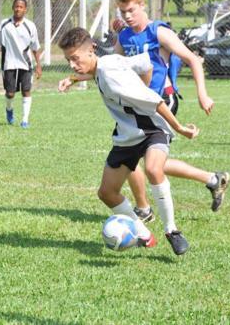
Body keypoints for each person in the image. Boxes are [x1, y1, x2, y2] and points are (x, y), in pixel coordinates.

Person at [60, 0, 230, 222]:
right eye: (122, 12)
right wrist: (75, 78)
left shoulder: (158, 32)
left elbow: (192, 59)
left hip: (161, 101)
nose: (127, 16)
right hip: (136, 106)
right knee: (139, 158)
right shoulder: (125, 37)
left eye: (132, 10)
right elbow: (109, 68)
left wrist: (203, 94)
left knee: (145, 160)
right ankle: (210, 181)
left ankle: (146, 209)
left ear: (142, 6)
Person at [58, 27, 200, 255]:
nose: (73, 64)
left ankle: (172, 230)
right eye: (69, 60)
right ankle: (143, 233)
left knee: (154, 169)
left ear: (91, 50)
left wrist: (180, 128)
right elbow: (145, 64)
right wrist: (73, 78)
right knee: (107, 192)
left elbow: (154, 101)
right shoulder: (109, 60)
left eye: (75, 59)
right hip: (126, 135)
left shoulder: (112, 76)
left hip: (151, 129)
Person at [0, 0, 42, 128]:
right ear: (13, 8)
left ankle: (25, 120)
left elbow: (35, 48)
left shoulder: (30, 26)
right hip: (9, 64)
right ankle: (9, 109)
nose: (18, 9)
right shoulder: (4, 24)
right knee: (10, 93)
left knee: (26, 91)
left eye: (21, 7)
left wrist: (38, 65)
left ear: (25, 9)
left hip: (26, 64)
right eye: (16, 6)